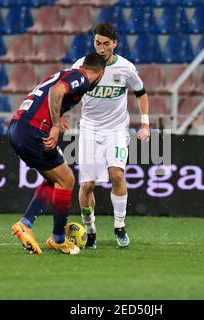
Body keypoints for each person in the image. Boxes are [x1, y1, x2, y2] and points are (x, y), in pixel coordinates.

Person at [8, 52, 106, 255]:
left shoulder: (66, 73)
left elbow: (48, 95)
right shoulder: (82, 78)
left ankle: (26, 223)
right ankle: (58, 239)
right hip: (34, 130)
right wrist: (54, 125)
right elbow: (55, 92)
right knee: (67, 180)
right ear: (100, 73)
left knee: (56, 180)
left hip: (19, 129)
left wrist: (58, 115)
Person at [70, 22, 150, 249]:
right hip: (88, 129)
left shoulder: (126, 68)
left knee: (116, 175)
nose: (102, 48)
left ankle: (119, 226)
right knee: (87, 185)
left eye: (106, 44)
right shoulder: (81, 65)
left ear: (115, 43)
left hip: (116, 130)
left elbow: (141, 93)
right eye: (98, 43)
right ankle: (90, 229)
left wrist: (145, 124)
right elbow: (65, 90)